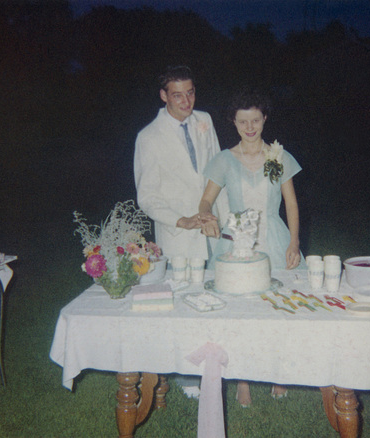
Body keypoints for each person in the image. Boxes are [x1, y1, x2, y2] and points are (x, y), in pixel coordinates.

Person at [198, 89, 305, 406]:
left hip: (274, 237)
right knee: (239, 309)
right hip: (238, 244)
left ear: (264, 119)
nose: (249, 127)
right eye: (243, 121)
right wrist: (204, 214)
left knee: (277, 306)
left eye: (255, 120)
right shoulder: (224, 160)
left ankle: (277, 372)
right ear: (233, 121)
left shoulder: (279, 156)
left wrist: (295, 242)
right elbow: (207, 198)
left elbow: (292, 205)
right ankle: (242, 378)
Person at [134, 65, 226, 398]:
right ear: (163, 96)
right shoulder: (148, 137)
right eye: (177, 94)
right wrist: (182, 220)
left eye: (190, 92)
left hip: (212, 223)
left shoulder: (205, 120)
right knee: (185, 301)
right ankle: (188, 374)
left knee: (216, 295)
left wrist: (221, 215)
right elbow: (147, 196)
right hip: (177, 230)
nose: (186, 101)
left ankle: (215, 364)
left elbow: (217, 168)